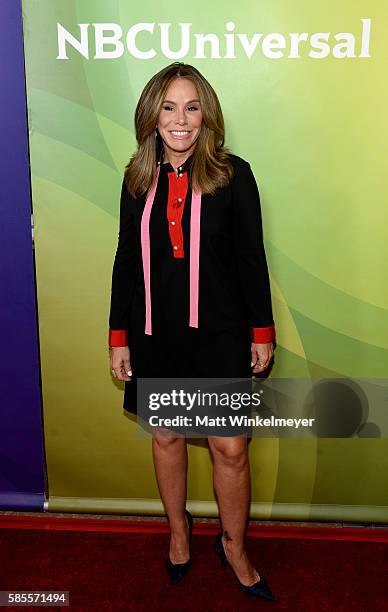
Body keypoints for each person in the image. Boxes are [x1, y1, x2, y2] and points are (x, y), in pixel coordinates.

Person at [108, 62, 276, 601]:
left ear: (207, 115)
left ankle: (234, 546)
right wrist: (118, 337)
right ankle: (178, 533)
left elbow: (251, 258)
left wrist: (261, 330)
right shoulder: (136, 180)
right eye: (169, 107)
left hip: (222, 335)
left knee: (230, 447)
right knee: (168, 436)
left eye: (192, 107)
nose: (181, 119)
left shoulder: (233, 173)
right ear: (152, 116)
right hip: (156, 334)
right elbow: (125, 262)